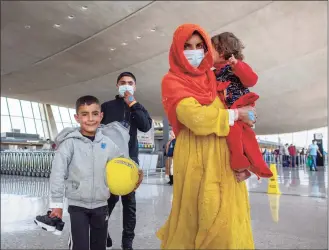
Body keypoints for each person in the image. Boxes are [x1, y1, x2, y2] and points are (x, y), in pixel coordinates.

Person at [156, 24, 255, 249]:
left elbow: (239, 104)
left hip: (225, 160)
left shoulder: (213, 76)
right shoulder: (172, 81)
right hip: (195, 159)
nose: (194, 51)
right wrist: (236, 114)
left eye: (199, 46)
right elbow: (194, 117)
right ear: (177, 50)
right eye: (187, 46)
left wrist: (246, 114)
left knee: (228, 222)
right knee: (199, 217)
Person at [34, 95, 134, 250]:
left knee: (99, 246)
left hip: (101, 205)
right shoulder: (69, 143)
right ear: (77, 117)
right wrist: (56, 205)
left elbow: (122, 162)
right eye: (85, 114)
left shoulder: (107, 144)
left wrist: (136, 173)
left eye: (95, 114)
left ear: (101, 116)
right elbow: (57, 174)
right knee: (79, 246)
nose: (90, 119)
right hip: (77, 205)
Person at [101, 71, 152, 250]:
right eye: (123, 82)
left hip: (131, 162)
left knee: (129, 204)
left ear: (135, 87)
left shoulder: (138, 107)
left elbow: (145, 126)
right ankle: (102, 232)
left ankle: (127, 241)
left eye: (130, 83)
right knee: (108, 201)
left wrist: (133, 104)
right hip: (110, 162)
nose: (126, 85)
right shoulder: (107, 107)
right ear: (117, 85)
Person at [211, 32, 272, 179]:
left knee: (245, 138)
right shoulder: (213, 73)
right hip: (234, 112)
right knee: (238, 139)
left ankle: (249, 166)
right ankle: (244, 167)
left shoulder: (236, 67)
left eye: (210, 48)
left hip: (242, 106)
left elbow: (252, 80)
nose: (207, 51)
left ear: (223, 51)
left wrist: (237, 66)